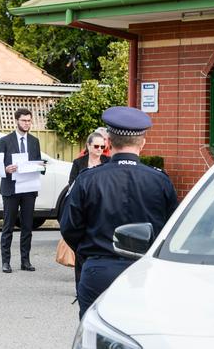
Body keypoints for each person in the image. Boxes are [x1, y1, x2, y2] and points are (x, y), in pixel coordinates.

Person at [60, 106, 178, 318]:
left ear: (109, 142)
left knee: (94, 335)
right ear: (143, 142)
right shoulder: (160, 180)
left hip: (99, 267)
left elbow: (69, 227)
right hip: (144, 270)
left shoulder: (88, 179)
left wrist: (89, 251)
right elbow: (171, 229)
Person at [0, 108, 43, 273]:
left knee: (27, 226)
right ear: (16, 121)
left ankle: (25, 261)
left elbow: (38, 162)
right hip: (11, 188)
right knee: (8, 226)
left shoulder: (34, 141)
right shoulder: (5, 141)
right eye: (24, 120)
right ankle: (6, 261)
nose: (27, 124)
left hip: (29, 188)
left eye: (29, 121)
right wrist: (6, 169)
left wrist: (41, 166)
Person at [66, 131, 110, 289]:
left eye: (102, 147)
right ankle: (80, 286)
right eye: (96, 146)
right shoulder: (79, 163)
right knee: (81, 249)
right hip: (83, 209)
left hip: (102, 209)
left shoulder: (108, 161)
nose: (100, 149)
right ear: (88, 146)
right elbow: (71, 184)